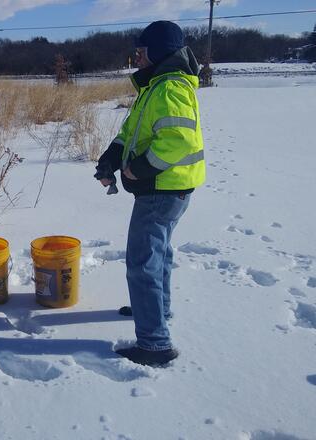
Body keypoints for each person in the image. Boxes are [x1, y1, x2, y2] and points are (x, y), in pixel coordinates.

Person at [94, 21, 206, 367]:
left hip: (163, 189)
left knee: (142, 262)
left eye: (142, 52)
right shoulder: (156, 86)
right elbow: (133, 130)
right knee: (159, 253)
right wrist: (112, 156)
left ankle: (155, 344)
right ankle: (158, 308)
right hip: (168, 190)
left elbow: (179, 141)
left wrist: (139, 169)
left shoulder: (169, 87)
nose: (137, 57)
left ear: (158, 52)